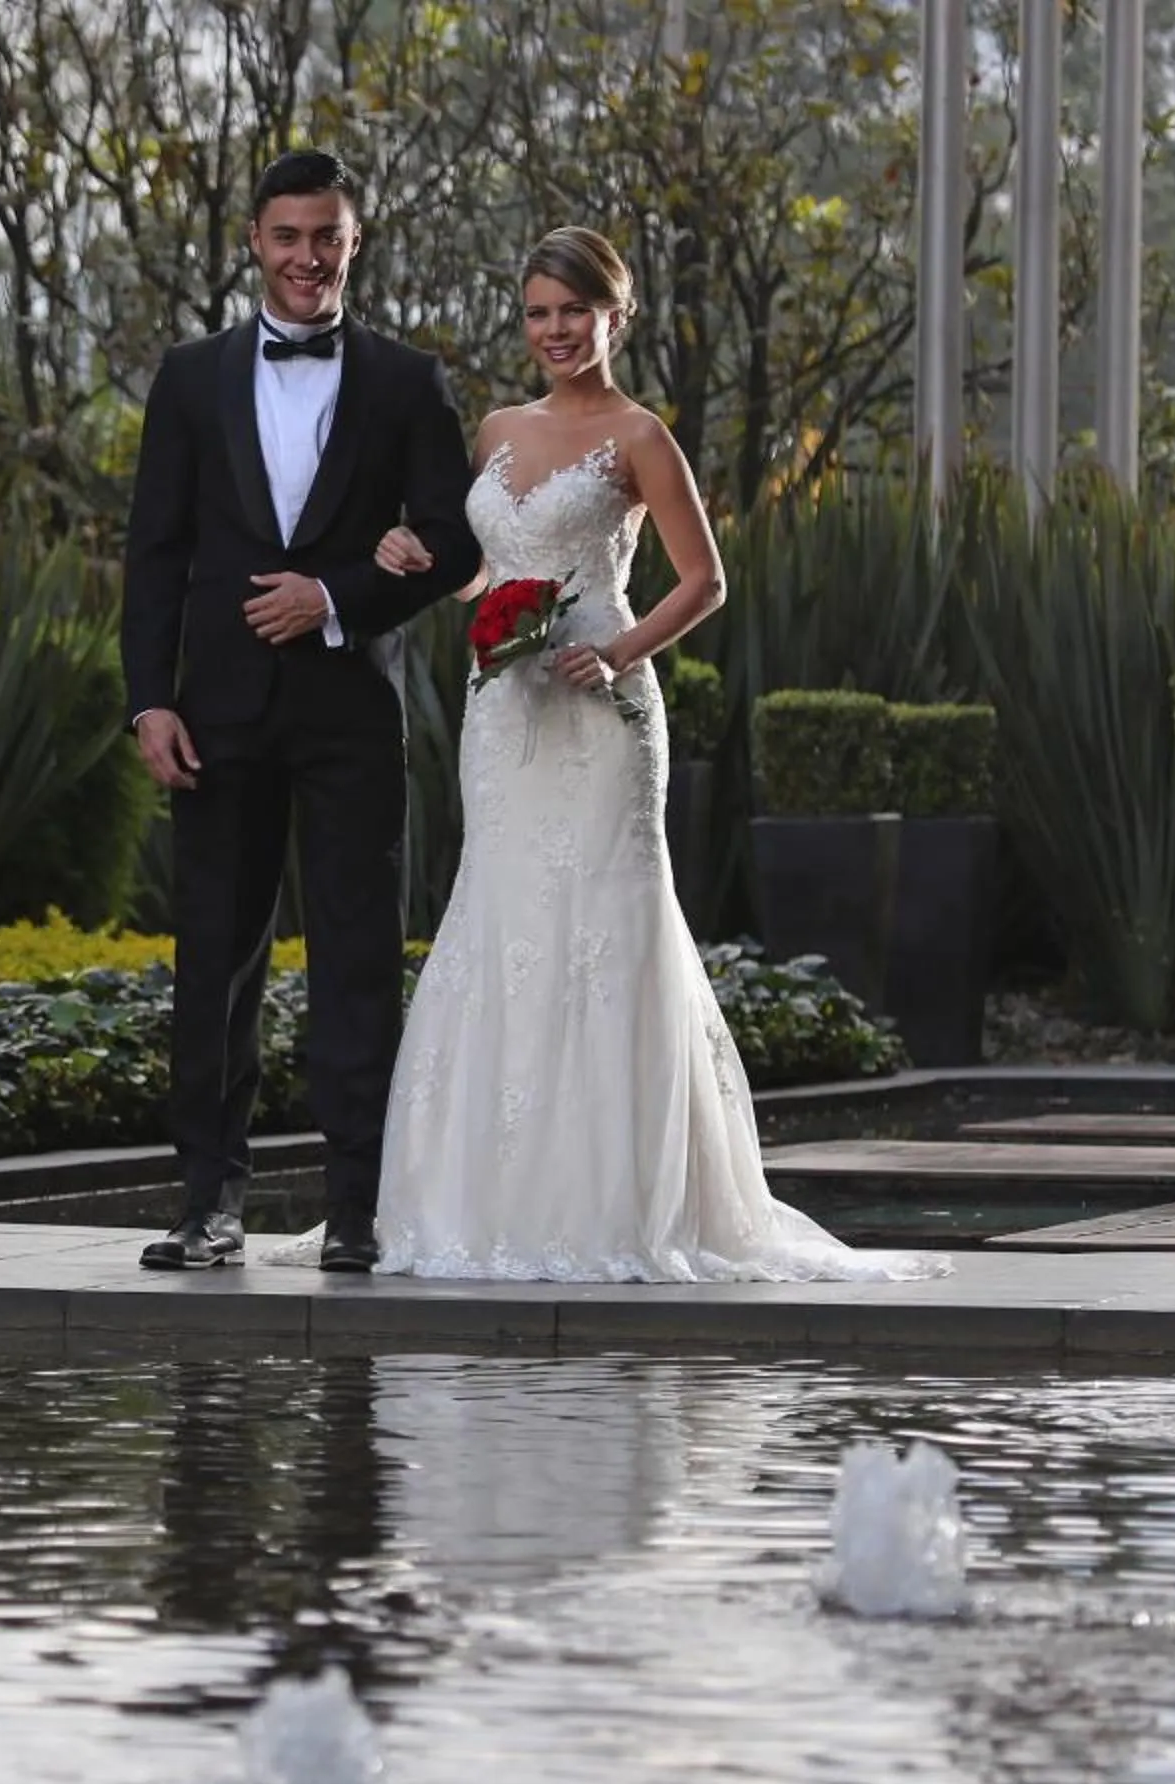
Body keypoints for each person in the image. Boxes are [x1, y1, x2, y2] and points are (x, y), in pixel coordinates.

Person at [351, 226, 945, 1282]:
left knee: (604, 924)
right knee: (504, 916)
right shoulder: (492, 429)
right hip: (503, 711)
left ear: (615, 315)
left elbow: (703, 581)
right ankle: (481, 1201)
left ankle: (622, 1206)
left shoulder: (639, 436)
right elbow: (481, 576)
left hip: (600, 709)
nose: (554, 331)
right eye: (537, 312)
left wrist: (616, 650)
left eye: (573, 311)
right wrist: (415, 556)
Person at [122, 150, 483, 1276]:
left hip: (347, 712)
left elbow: (457, 544)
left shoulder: (407, 381)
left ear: (353, 243)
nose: (307, 258)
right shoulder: (188, 379)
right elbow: (155, 554)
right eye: (288, 237)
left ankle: (360, 1209)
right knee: (214, 962)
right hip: (216, 715)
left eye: (326, 236)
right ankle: (206, 1205)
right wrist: (149, 702)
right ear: (255, 241)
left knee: (358, 958)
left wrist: (337, 595)